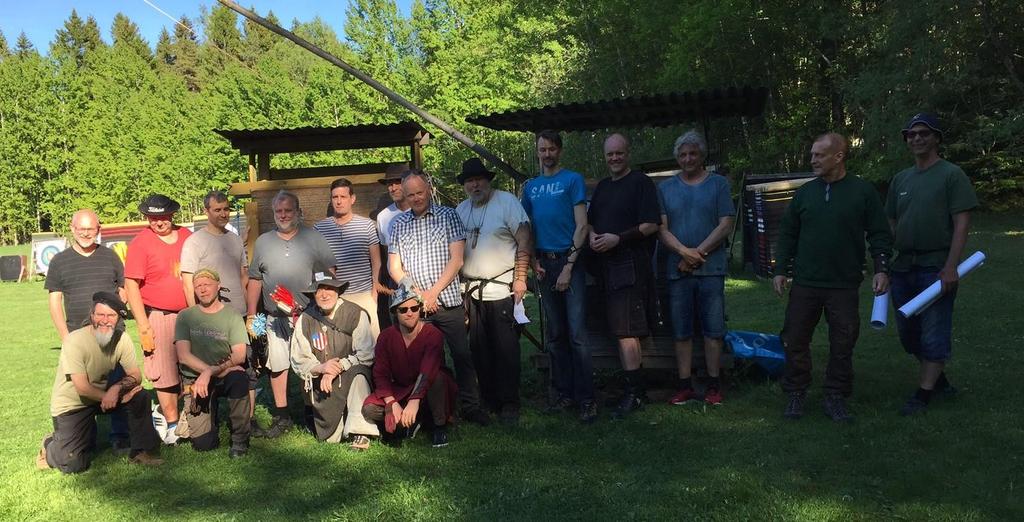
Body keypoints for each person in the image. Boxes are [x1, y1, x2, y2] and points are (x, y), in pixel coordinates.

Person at [773, 132, 892, 422]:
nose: (812, 159)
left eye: (819, 155)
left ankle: (835, 396)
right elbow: (788, 233)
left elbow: (879, 233)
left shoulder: (862, 192)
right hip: (805, 282)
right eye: (812, 154)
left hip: (844, 283)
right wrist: (780, 270)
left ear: (838, 157)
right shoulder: (805, 193)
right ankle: (796, 392)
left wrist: (881, 267)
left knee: (843, 341)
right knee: (795, 338)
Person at [886, 113, 978, 416]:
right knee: (908, 334)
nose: (916, 139)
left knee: (933, 330)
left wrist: (951, 266)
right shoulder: (901, 179)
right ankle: (939, 380)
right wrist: (884, 262)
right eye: (911, 135)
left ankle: (922, 396)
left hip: (935, 267)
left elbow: (961, 223)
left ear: (937, 138)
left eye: (923, 133)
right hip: (903, 268)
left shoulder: (951, 175)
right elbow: (891, 221)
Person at [387, 172, 490, 426]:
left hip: (448, 302)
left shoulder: (448, 216)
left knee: (461, 356)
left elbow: (457, 260)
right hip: (416, 306)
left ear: (428, 190)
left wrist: (432, 293)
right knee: (427, 362)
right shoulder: (398, 224)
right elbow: (394, 267)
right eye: (410, 194)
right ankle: (438, 410)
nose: (416, 198)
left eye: (419, 192)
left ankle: (471, 405)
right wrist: (419, 295)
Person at [38, 292, 163, 473]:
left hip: (103, 396)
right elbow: (81, 387)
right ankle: (50, 445)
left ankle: (140, 452)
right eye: (100, 315)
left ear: (118, 318)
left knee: (139, 395)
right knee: (73, 464)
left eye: (111, 316)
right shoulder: (74, 341)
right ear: (92, 316)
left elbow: (135, 375)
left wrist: (116, 388)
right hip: (73, 404)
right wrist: (108, 395)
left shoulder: (122, 339)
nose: (105, 320)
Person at [246, 190, 335, 438]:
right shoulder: (263, 242)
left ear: (298, 212)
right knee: (277, 365)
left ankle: (312, 412)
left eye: (288, 210)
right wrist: (252, 315)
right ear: (273, 213)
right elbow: (254, 280)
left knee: (309, 363)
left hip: (308, 316)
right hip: (274, 318)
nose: (283, 215)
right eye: (278, 211)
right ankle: (282, 415)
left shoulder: (314, 238)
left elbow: (330, 274)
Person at [521, 130, 594, 423]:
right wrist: (534, 262)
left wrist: (569, 266)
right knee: (556, 334)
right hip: (544, 264)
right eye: (542, 150)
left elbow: (582, 226)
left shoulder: (572, 180)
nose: (547, 154)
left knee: (577, 335)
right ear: (537, 152)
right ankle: (563, 394)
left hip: (568, 261)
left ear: (559, 151)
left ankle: (587, 398)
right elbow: (526, 228)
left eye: (551, 149)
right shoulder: (531, 187)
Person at [658, 131, 736, 406]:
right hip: (677, 271)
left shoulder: (718, 185)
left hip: (710, 270)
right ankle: (684, 385)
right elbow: (661, 229)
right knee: (681, 331)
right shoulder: (665, 189)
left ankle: (714, 386)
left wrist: (695, 254)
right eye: (682, 154)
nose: (687, 159)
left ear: (702, 155)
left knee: (713, 330)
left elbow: (725, 223)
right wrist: (682, 252)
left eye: (693, 153)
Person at [587, 133, 661, 419]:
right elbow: (592, 220)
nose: (614, 158)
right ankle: (631, 389)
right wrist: (593, 236)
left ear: (627, 153)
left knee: (627, 331)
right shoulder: (604, 187)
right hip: (605, 268)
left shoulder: (641, 183)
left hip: (630, 266)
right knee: (618, 330)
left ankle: (635, 394)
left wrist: (618, 238)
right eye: (610, 154)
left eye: (619, 153)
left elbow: (652, 224)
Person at [45, 209, 130, 450]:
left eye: (90, 229)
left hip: (111, 336)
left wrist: (118, 316)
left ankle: (120, 437)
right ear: (72, 229)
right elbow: (55, 302)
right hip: (78, 339)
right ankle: (81, 436)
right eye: (81, 229)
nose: (85, 233)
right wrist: (66, 338)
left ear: (98, 230)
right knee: (79, 392)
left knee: (118, 383)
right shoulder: (59, 261)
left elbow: (122, 290)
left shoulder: (111, 257)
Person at [455, 158, 532, 424]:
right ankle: (489, 399)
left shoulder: (506, 202)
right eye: (469, 181)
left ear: (488, 181)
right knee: (479, 349)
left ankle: (510, 402)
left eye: (478, 179)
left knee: (506, 350)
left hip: (501, 289)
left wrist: (521, 277)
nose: (474, 184)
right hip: (472, 291)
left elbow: (524, 237)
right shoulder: (461, 210)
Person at [124, 194, 192, 444]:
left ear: (171, 215)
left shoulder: (187, 236)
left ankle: (192, 418)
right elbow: (131, 285)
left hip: (188, 313)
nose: (158, 222)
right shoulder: (140, 244)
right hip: (158, 315)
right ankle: (171, 423)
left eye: (162, 217)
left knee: (190, 367)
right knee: (162, 371)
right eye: (153, 218)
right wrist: (143, 325)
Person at [290, 274, 380, 450]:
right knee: (331, 439)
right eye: (319, 290)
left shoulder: (356, 313)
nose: (324, 294)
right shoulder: (305, 319)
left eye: (329, 288)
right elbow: (298, 358)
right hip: (323, 382)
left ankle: (361, 432)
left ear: (338, 290)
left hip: (351, 375)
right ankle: (334, 424)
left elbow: (366, 353)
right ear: (313, 294)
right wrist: (322, 368)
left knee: (359, 374)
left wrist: (337, 368)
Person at [362, 288, 457, 448]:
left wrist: (414, 400)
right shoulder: (386, 337)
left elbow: (428, 369)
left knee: (438, 378)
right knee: (369, 409)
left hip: (430, 387)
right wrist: (391, 402)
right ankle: (412, 420)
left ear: (420, 309)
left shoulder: (433, 334)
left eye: (414, 308)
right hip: (401, 388)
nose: (409, 313)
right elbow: (380, 372)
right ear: (395, 313)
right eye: (403, 310)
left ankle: (438, 426)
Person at [174, 269, 251, 457]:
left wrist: (210, 372)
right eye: (198, 286)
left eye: (207, 284)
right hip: (196, 381)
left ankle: (240, 439)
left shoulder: (232, 315)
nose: (202, 289)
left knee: (239, 378)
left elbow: (240, 355)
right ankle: (206, 416)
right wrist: (207, 372)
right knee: (203, 444)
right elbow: (183, 356)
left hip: (224, 377)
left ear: (218, 286)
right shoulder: (185, 316)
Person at [314, 177, 384, 339]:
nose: (339, 201)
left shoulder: (366, 225)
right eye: (335, 197)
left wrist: (374, 294)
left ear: (352, 199)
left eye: (343, 197)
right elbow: (316, 265)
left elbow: (377, 262)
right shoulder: (319, 228)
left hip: (364, 295)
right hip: (335, 297)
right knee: (340, 346)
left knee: (371, 345)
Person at [181, 191, 248, 315]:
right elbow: (188, 284)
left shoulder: (236, 239)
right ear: (206, 211)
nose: (223, 214)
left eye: (226, 209)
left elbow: (243, 278)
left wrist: (250, 312)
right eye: (217, 210)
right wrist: (195, 316)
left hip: (239, 313)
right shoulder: (194, 242)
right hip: (211, 316)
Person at [374, 164, 411, 330]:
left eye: (398, 182)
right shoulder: (383, 216)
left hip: (423, 278)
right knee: (399, 329)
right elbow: (384, 249)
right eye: (390, 184)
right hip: (395, 282)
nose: (393, 187)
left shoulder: (421, 210)